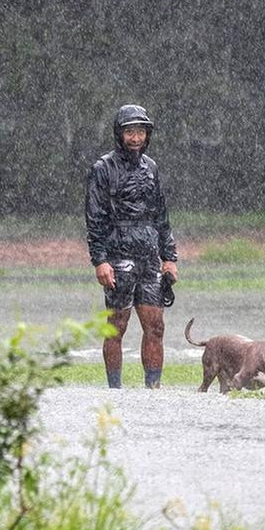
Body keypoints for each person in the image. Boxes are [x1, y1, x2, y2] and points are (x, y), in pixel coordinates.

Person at [85, 104, 178, 389]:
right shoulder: (103, 168)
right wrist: (99, 260)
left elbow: (161, 214)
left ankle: (153, 388)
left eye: (140, 132)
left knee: (156, 327)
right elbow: (94, 217)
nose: (135, 138)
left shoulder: (151, 167)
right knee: (116, 328)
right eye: (130, 132)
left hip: (149, 256)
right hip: (118, 255)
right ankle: (115, 390)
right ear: (119, 134)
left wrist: (169, 256)